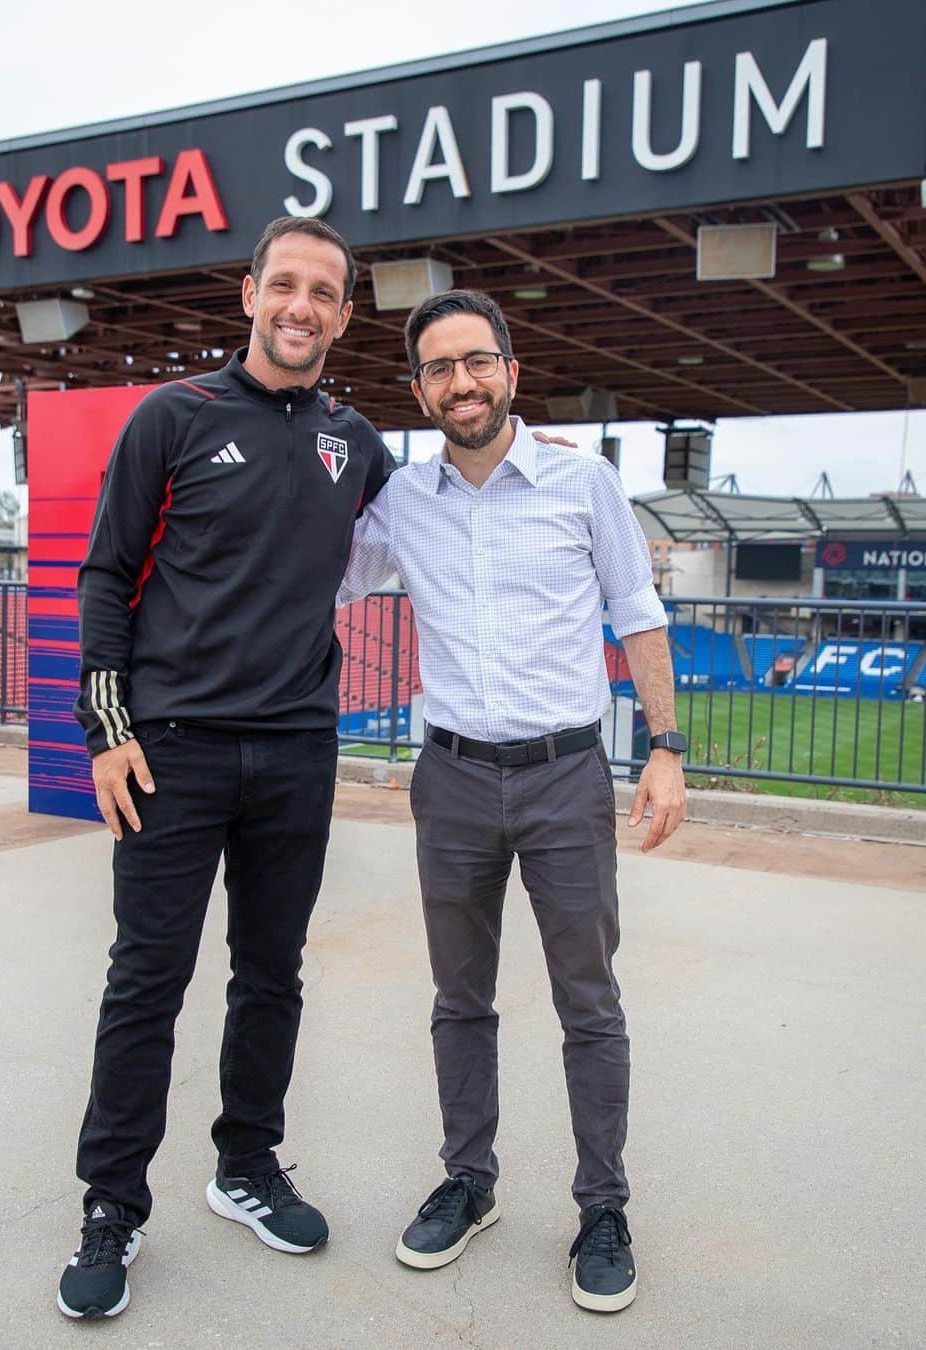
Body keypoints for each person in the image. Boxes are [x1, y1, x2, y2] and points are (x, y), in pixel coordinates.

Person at [57, 217, 397, 1320]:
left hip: (298, 751)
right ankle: (112, 1206)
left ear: (345, 315)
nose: (301, 306)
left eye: (324, 293)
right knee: (145, 982)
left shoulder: (359, 441)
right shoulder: (175, 416)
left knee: (271, 976)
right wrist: (107, 729)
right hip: (174, 754)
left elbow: (439, 532)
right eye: (284, 284)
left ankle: (246, 1164)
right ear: (248, 293)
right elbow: (104, 576)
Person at [338, 290, 687, 1313]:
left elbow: (639, 613)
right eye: (441, 369)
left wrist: (665, 747)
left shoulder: (586, 486)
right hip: (449, 778)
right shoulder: (402, 501)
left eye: (478, 361)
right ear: (418, 391)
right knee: (461, 999)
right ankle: (470, 1182)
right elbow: (321, 582)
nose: (463, 382)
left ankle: (604, 1208)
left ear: (511, 373)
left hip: (564, 776)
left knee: (589, 1002)